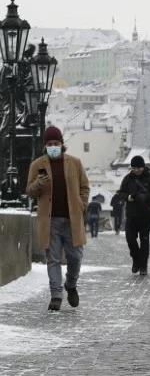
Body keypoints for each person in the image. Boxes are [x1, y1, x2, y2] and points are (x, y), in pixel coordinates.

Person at [25, 126, 90, 311]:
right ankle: (56, 295)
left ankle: (71, 284)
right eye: (49, 144)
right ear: (45, 146)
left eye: (56, 143)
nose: (53, 147)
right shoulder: (37, 165)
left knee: (75, 257)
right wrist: (38, 183)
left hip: (72, 219)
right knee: (53, 259)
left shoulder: (75, 163)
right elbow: (29, 191)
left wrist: (81, 204)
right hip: (50, 220)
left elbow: (84, 187)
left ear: (62, 144)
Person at [116, 156, 150, 276]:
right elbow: (121, 193)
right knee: (130, 239)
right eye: (134, 168)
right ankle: (136, 259)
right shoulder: (128, 178)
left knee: (144, 241)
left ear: (143, 166)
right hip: (131, 214)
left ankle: (143, 266)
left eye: (139, 168)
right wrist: (129, 197)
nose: (137, 170)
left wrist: (146, 197)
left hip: (146, 213)